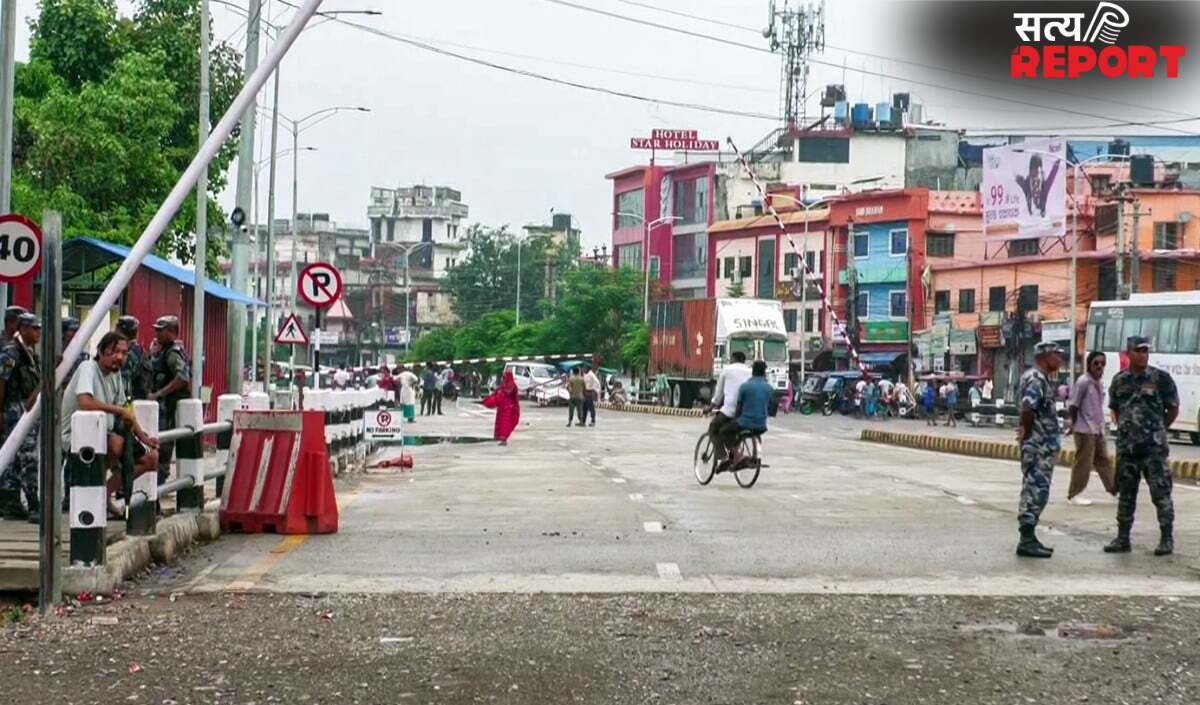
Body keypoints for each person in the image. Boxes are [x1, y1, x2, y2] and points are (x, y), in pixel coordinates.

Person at [61, 333, 160, 516]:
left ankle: (104, 493)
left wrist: (144, 437)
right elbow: (85, 402)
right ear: (101, 351)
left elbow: (126, 410)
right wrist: (118, 411)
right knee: (116, 444)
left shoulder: (116, 375)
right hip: (77, 436)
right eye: (115, 352)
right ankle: (95, 493)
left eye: (124, 353)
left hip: (103, 434)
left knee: (151, 458)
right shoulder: (88, 368)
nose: (120, 357)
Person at [1104, 336, 1180, 556]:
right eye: (1139, 350)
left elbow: (1173, 409)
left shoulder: (1160, 379)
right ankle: (1122, 538)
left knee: (1161, 494)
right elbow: (1116, 410)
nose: (1143, 354)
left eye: (1146, 350)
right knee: (1126, 495)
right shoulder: (1120, 381)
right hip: (1128, 450)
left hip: (1153, 450)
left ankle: (1166, 538)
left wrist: (1158, 430)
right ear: (1128, 353)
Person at [1015, 341, 1064, 559]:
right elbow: (1028, 407)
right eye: (1056, 354)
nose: (1060, 359)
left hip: (1041, 445)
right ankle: (1026, 539)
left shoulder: (1040, 378)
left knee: (1037, 490)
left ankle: (1030, 536)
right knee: (1035, 490)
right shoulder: (1036, 378)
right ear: (1044, 356)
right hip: (1038, 446)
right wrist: (1027, 429)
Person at [0, 314, 41, 520]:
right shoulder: (11, 351)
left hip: (25, 409)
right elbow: (2, 381)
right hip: (15, 410)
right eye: (34, 328)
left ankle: (13, 504)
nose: (38, 333)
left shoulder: (30, 353)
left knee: (17, 458)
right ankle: (32, 504)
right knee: (27, 458)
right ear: (23, 329)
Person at [1066, 351, 1116, 507]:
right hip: (1084, 429)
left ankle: (1114, 489)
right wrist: (1074, 424)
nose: (1099, 366)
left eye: (1102, 363)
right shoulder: (1083, 382)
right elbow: (1073, 405)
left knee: (1104, 461)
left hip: (1097, 428)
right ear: (1089, 365)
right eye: (1096, 363)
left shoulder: (1099, 383)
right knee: (1084, 462)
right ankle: (1075, 493)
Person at [148, 316, 191, 484]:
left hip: (167, 408)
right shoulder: (163, 350)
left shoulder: (172, 352)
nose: (157, 333)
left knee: (163, 448)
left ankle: (158, 485)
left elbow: (182, 377)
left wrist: (159, 394)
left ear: (171, 332)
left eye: (161, 330)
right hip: (161, 408)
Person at [717, 361, 773, 471]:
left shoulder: (745, 387)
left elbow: (738, 408)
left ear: (753, 371)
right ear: (764, 373)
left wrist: (734, 419)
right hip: (762, 425)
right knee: (755, 432)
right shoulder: (769, 388)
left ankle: (737, 456)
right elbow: (772, 408)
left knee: (724, 431)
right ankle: (756, 456)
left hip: (745, 423)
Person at [706, 351, 751, 463]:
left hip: (730, 410)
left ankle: (723, 456)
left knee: (713, 428)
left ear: (733, 359)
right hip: (746, 412)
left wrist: (710, 407)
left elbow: (718, 394)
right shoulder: (750, 372)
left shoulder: (727, 370)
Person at [116, 316, 150, 403]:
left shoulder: (130, 354)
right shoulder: (139, 350)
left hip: (133, 402)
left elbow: (124, 385)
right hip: (141, 401)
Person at [483, 370, 521, 445]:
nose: (503, 378)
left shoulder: (511, 385)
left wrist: (496, 396)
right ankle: (499, 438)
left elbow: (505, 394)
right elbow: (496, 395)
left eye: (504, 377)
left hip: (509, 410)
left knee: (505, 425)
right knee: (500, 425)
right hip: (502, 409)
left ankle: (503, 439)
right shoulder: (503, 386)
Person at [60, 317, 89, 390]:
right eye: (72, 330)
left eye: (77, 331)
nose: (76, 334)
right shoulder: (57, 354)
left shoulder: (82, 354)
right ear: (63, 332)